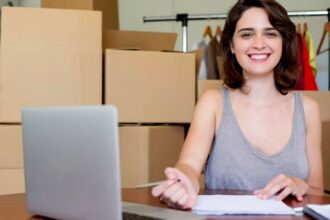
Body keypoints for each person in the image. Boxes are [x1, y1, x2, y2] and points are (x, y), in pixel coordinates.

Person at [151, 0, 324, 210]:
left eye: (270, 34)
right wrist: (183, 182)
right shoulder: (212, 102)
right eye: (246, 34)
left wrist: (301, 185)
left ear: (283, 42)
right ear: (232, 45)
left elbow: (317, 191)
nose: (259, 43)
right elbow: (189, 166)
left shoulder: (308, 109)